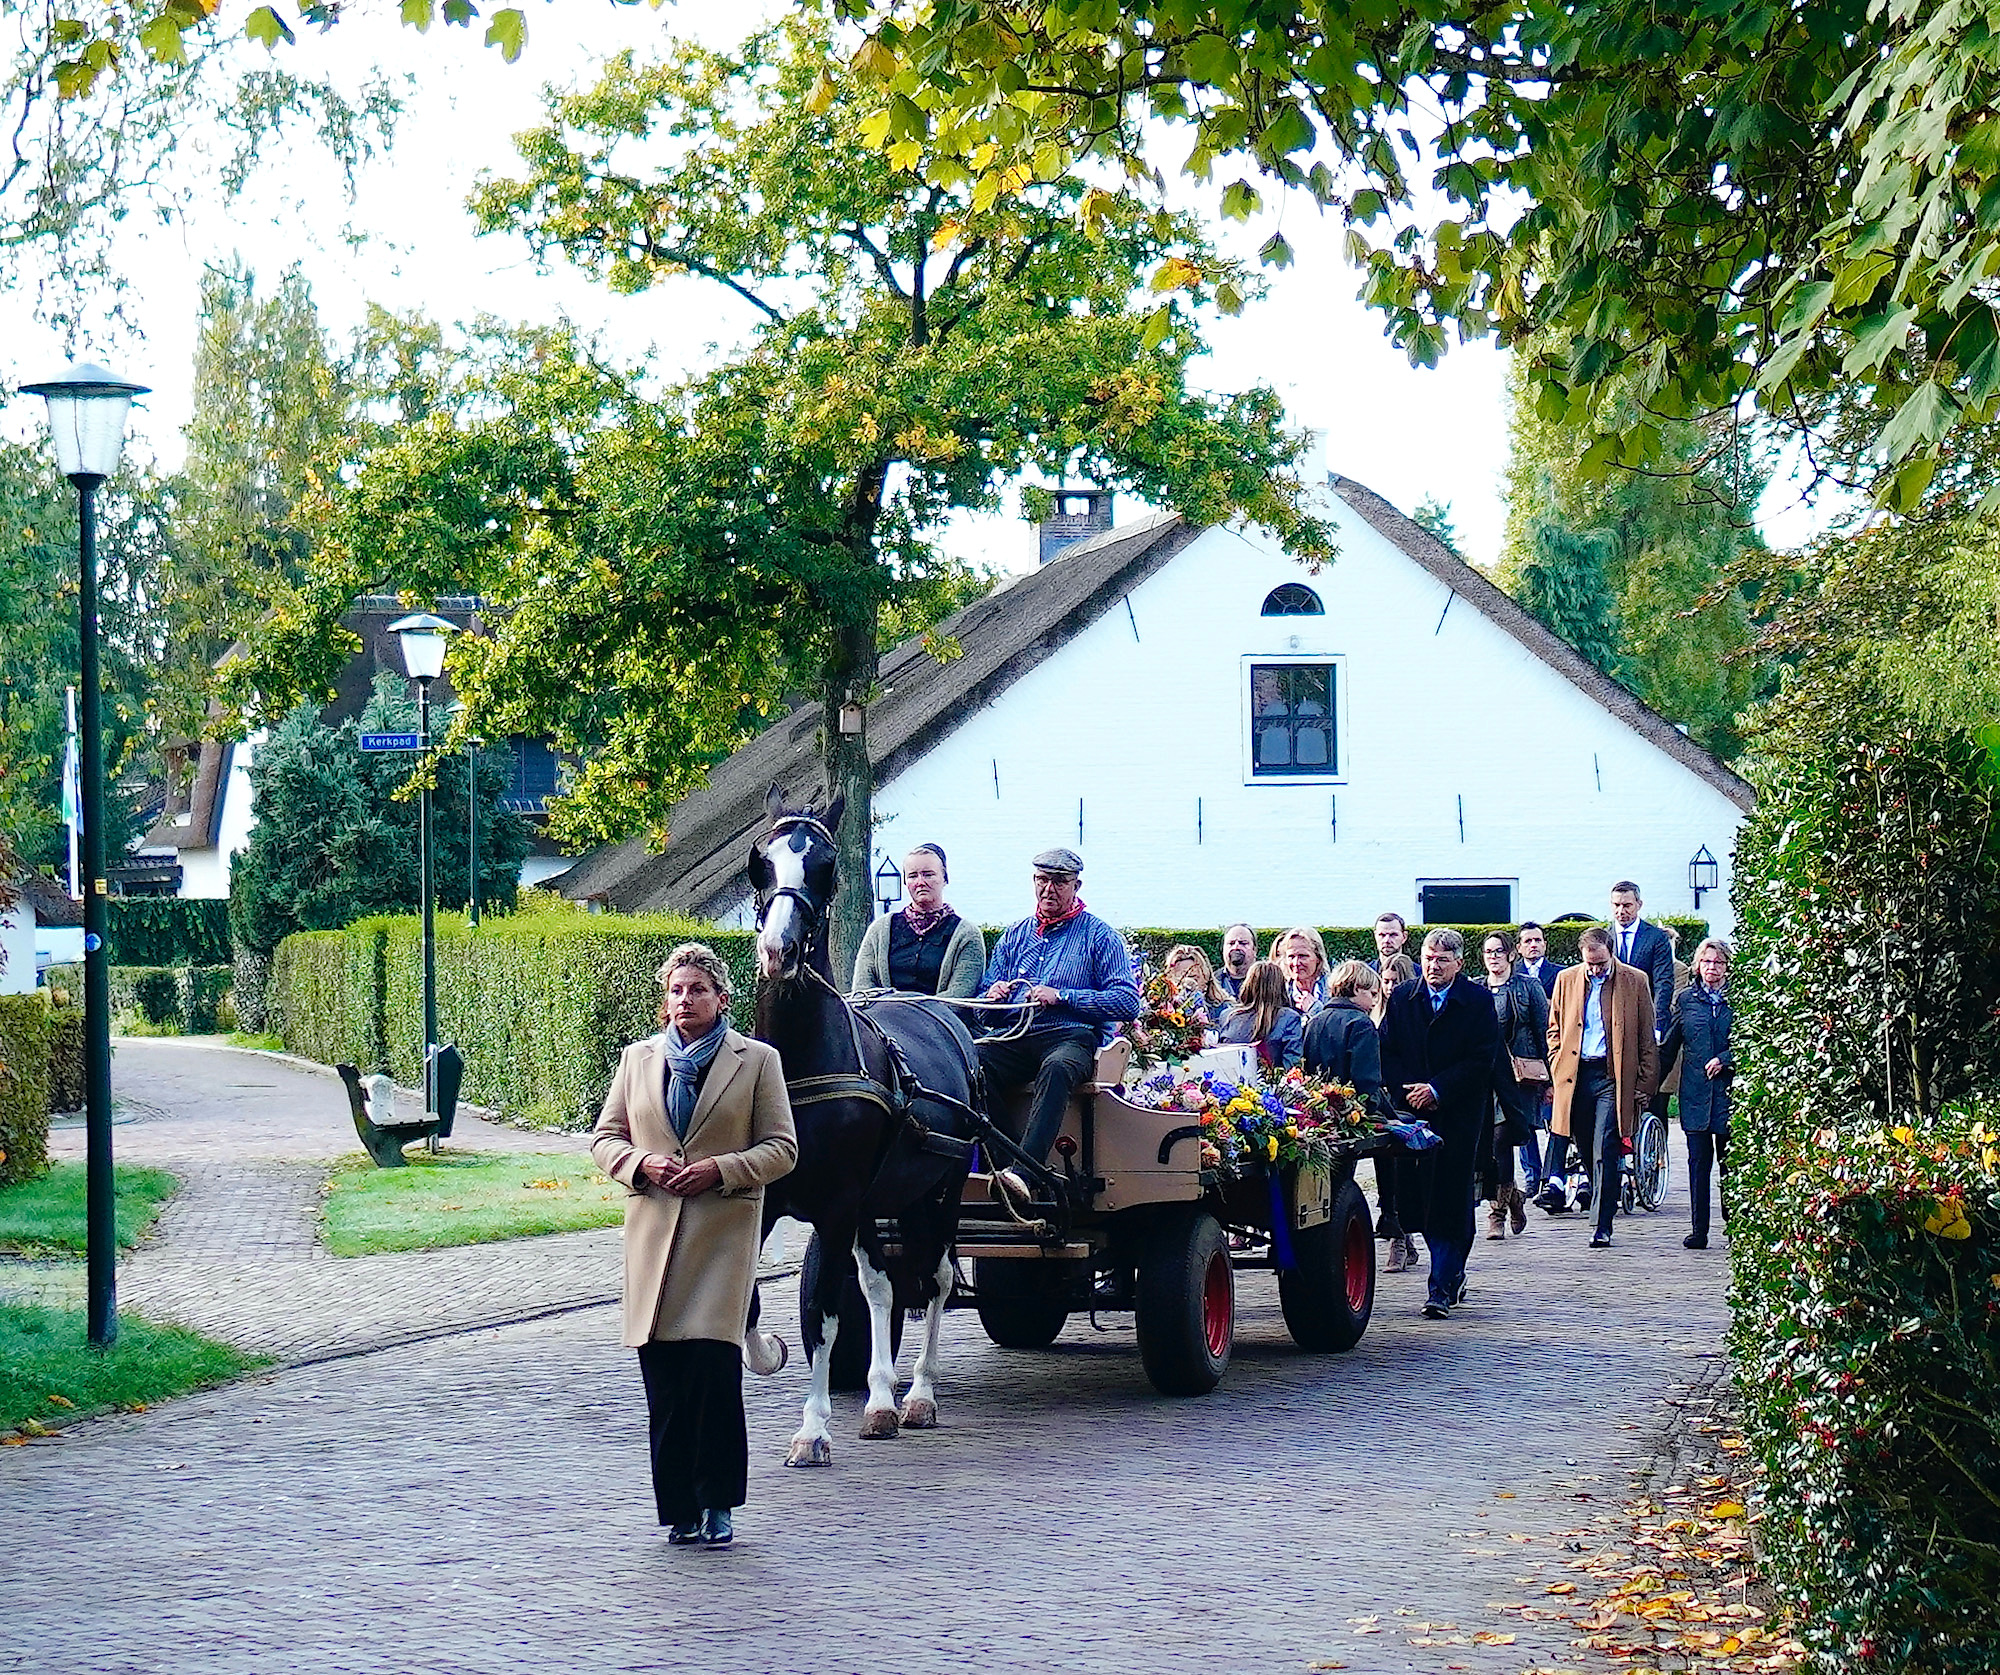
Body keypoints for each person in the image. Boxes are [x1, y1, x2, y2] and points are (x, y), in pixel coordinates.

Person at [591, 943, 798, 1549]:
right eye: (677, 990)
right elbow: (605, 1138)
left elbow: (783, 1148)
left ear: (721, 998)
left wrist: (722, 1169)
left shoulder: (757, 1061)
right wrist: (641, 1163)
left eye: (698, 989)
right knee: (665, 1382)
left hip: (721, 1240)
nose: (686, 1000)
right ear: (665, 1002)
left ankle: (719, 1504)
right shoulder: (636, 1060)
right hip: (653, 1242)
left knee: (712, 1374)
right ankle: (678, 1508)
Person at [976, 848, 1141, 1205]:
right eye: (1042, 880)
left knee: (1057, 1067)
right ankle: (1004, 1170)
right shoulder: (1014, 935)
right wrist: (993, 997)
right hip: (1017, 1035)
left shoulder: (1100, 936)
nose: (1049, 889)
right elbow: (984, 1016)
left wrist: (1063, 996)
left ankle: (1023, 1174)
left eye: (1060, 881)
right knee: (973, 1064)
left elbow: (1128, 1002)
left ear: (1076, 886)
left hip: (1071, 1036)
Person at [1378, 929, 1502, 1319]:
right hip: (1412, 1117)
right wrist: (1408, 1090)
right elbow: (1387, 1051)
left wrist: (1438, 1089)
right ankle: (1451, 1272)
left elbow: (1483, 1058)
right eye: (1428, 959)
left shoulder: (1478, 1001)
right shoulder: (1403, 998)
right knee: (1418, 1200)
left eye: (1442, 960)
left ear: (1459, 964)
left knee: (1452, 1198)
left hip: (1458, 1116)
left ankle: (1441, 1287)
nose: (1433, 966)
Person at [1540, 926, 1658, 1246]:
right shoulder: (1566, 979)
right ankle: (1600, 1195)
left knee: (1606, 1144)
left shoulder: (1634, 980)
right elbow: (1554, 1026)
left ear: (1611, 954)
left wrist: (1645, 1083)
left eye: (1601, 964)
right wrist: (1556, 1060)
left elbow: (1647, 1036)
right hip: (1576, 1075)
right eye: (1589, 963)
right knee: (1584, 1143)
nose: (1595, 970)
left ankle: (1602, 1223)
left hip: (1611, 1075)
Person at [1660, 937, 1734, 1249]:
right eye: (1706, 961)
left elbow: (1753, 1040)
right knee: (1698, 1164)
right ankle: (1699, 1230)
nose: (1712, 968)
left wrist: (1726, 1059)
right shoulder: (1686, 999)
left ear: (1727, 967)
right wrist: (1649, 1085)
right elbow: (1670, 1046)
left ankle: (1735, 1228)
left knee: (1731, 1165)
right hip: (1695, 1093)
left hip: (1729, 1095)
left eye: (1718, 962)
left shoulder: (1739, 1000)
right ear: (1697, 965)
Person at [1478, 930, 1548, 1239]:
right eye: (1488, 952)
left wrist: (1549, 1079)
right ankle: (1513, 1197)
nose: (1493, 957)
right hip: (1485, 1080)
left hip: (1518, 1078)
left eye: (1498, 951)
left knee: (1501, 1141)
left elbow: (1544, 1031)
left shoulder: (1528, 987)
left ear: (1510, 954)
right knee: (1490, 1146)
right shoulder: (1476, 989)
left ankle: (1497, 1214)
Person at [850, 843, 987, 997]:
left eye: (928, 874)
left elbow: (960, 994)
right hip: (880, 1011)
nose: (920, 882)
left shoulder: (967, 935)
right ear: (905, 882)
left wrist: (908, 1007)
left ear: (944, 878)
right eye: (913, 876)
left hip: (941, 1013)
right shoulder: (879, 931)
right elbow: (863, 989)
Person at [1513, 922, 1564, 1197]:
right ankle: (1532, 1176)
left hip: (1551, 1051)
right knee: (1525, 1121)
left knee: (1554, 1118)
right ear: (1519, 947)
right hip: (1522, 1060)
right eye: (1528, 941)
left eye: (1538, 940)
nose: (1534, 945)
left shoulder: (1559, 974)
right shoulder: (1512, 976)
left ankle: (1553, 1173)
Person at [1607, 881, 1676, 1043]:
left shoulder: (1656, 938)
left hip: (1645, 1017)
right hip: (1611, 1019)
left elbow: (1663, 983)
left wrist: (1657, 1024)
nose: (1621, 911)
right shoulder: (1604, 938)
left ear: (1639, 905)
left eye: (1627, 905)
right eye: (1616, 905)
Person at [1215, 959, 1304, 1070]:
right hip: (1271, 1079)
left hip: (1230, 1078)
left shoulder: (1227, 1016)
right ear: (1280, 986)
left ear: (1248, 984)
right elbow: (1292, 1064)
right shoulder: (1289, 1018)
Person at [1270, 926, 1330, 1019]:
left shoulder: (1333, 991)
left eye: (1303, 956)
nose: (1296, 963)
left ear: (1318, 958)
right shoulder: (1278, 994)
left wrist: (1314, 1009)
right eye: (1291, 956)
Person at [1162, 943, 1230, 1022]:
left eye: (1193, 977)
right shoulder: (1161, 1010)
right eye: (1181, 979)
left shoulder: (1224, 1010)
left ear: (1206, 979)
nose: (1188, 983)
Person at [1217, 922, 1258, 1001]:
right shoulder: (1213, 982)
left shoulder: (1266, 981)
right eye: (1231, 943)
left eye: (1243, 943)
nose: (1236, 947)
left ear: (1254, 950)